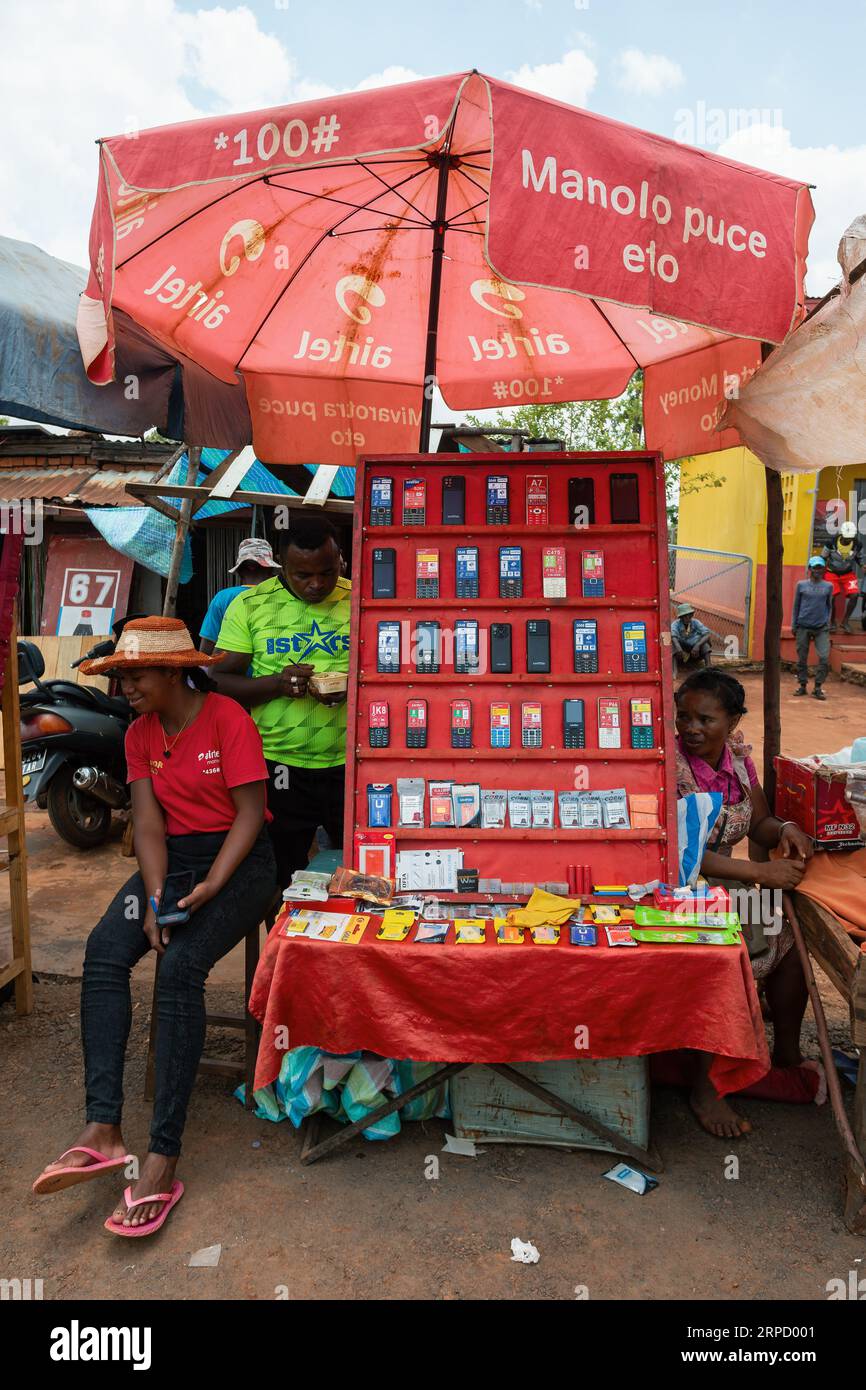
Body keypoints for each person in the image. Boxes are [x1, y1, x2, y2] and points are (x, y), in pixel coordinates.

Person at [32, 617, 277, 1236]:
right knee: (105, 950)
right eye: (119, 677)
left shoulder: (227, 719)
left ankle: (163, 1157)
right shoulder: (140, 733)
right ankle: (104, 1129)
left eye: (134, 675)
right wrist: (156, 891)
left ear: (172, 672)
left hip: (241, 863)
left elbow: (250, 815)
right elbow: (146, 822)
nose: (126, 688)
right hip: (175, 858)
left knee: (182, 969)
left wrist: (212, 885)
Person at [674, 669, 815, 1140]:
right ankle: (704, 1088)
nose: (691, 728)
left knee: (791, 945)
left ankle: (786, 1056)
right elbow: (680, 852)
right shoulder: (669, 764)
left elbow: (758, 823)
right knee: (722, 958)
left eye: (705, 719)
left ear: (732, 721)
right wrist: (761, 873)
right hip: (681, 891)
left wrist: (784, 830)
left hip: (727, 890)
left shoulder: (738, 759)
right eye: (684, 717)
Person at [212, 516, 351, 889]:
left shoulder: (361, 601)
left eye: (327, 571)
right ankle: (285, 947)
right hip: (278, 767)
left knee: (353, 874)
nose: (317, 584)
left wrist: (353, 688)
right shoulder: (251, 606)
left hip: (351, 766)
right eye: (302, 574)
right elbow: (218, 681)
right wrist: (276, 684)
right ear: (281, 566)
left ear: (340, 559)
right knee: (282, 879)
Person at [199, 538, 281, 657]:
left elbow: (206, 648)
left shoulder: (223, 598)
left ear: (239, 570)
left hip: (230, 673)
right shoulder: (282, 596)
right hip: (275, 674)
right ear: (270, 569)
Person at [791, 556, 833, 700]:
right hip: (802, 626)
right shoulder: (801, 585)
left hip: (821, 628)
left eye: (820, 567)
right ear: (809, 569)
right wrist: (794, 624)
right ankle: (802, 685)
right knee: (802, 658)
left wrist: (827, 623)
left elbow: (829, 606)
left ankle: (818, 687)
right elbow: (796, 606)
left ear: (823, 569)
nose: (817, 570)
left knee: (824, 657)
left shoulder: (828, 586)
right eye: (814, 567)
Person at [822, 521, 863, 633]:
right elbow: (823, 558)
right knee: (831, 597)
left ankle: (845, 622)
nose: (848, 540)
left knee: (854, 595)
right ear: (841, 535)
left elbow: (859, 558)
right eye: (846, 538)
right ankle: (832, 622)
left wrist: (863, 565)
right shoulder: (830, 543)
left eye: (850, 538)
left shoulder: (857, 544)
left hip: (848, 574)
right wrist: (819, 572)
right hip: (831, 573)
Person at [670, 603, 712, 673]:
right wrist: (678, 648)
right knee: (673, 644)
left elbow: (707, 634)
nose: (687, 617)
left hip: (695, 652)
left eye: (689, 615)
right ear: (681, 617)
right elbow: (673, 636)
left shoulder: (696, 622)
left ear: (692, 615)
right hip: (681, 653)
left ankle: (709, 668)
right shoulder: (675, 624)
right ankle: (674, 671)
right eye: (685, 616)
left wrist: (697, 646)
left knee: (705, 646)